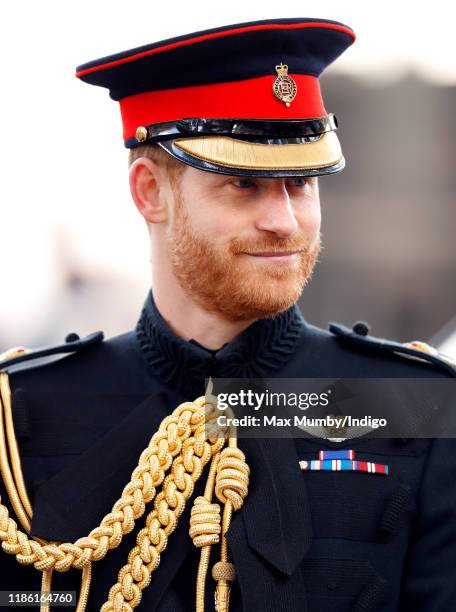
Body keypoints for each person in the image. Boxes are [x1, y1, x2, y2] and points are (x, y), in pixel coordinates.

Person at [0, 17, 455, 612]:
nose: (285, 221)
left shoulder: (417, 404)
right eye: (244, 183)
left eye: (301, 183)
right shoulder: (25, 412)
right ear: (150, 192)